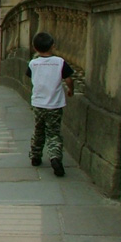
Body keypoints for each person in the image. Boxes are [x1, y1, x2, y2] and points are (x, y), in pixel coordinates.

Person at [26, 32, 74, 177]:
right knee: (53, 133)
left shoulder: (33, 63)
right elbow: (68, 79)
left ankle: (35, 156)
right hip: (55, 105)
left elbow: (30, 76)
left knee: (38, 129)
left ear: (35, 48)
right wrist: (71, 90)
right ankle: (55, 157)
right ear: (53, 46)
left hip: (38, 104)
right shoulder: (60, 62)